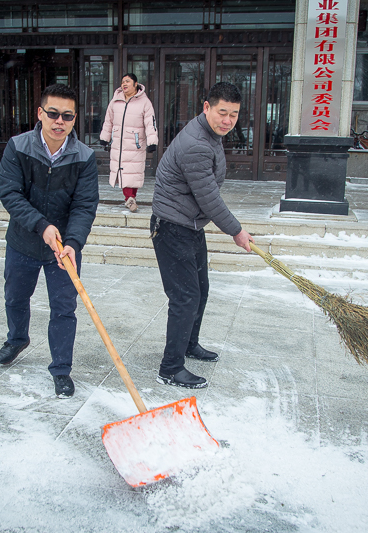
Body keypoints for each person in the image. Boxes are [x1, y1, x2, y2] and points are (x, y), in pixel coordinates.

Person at [0, 83, 99, 399]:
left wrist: (73, 242)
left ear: (74, 118)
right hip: (23, 241)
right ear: (40, 113)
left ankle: (61, 369)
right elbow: (11, 194)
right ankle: (17, 338)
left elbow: (84, 205)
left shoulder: (84, 157)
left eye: (67, 116)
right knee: (15, 297)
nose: (59, 121)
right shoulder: (18, 147)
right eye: (53, 113)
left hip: (63, 249)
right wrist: (41, 225)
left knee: (64, 308)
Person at [150, 82, 253, 389]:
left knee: (200, 290)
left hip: (190, 224)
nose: (228, 120)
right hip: (172, 227)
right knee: (185, 297)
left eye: (234, 114)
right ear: (206, 107)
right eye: (222, 112)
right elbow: (209, 197)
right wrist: (236, 230)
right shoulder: (196, 143)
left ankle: (188, 344)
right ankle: (170, 368)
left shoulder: (210, 134)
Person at [99, 73, 158, 213]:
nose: (124, 84)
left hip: (135, 143)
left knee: (134, 171)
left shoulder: (144, 102)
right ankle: (129, 198)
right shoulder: (115, 101)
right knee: (123, 170)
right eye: (122, 82)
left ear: (136, 84)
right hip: (119, 143)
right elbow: (108, 121)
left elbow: (150, 123)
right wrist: (105, 138)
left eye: (127, 81)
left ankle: (131, 198)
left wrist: (152, 141)